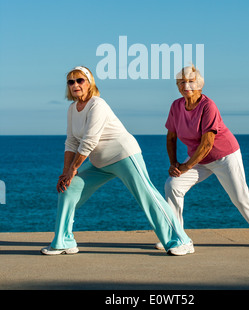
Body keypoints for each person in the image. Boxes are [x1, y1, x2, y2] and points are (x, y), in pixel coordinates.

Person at [41, 66, 194, 256]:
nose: (75, 85)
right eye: (71, 82)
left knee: (147, 196)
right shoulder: (72, 109)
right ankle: (63, 241)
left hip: (124, 155)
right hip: (99, 162)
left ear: (89, 84)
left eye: (80, 80)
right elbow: (71, 141)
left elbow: (89, 141)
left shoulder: (98, 104)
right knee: (68, 188)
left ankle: (181, 240)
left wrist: (73, 169)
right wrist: (66, 172)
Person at [155, 64, 249, 250]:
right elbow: (171, 136)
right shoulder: (176, 106)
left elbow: (207, 144)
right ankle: (176, 236)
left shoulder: (208, 106)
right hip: (199, 160)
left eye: (190, 81)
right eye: (181, 82)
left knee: (240, 198)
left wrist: (186, 166)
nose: (186, 85)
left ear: (199, 85)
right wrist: (173, 163)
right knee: (172, 185)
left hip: (224, 156)